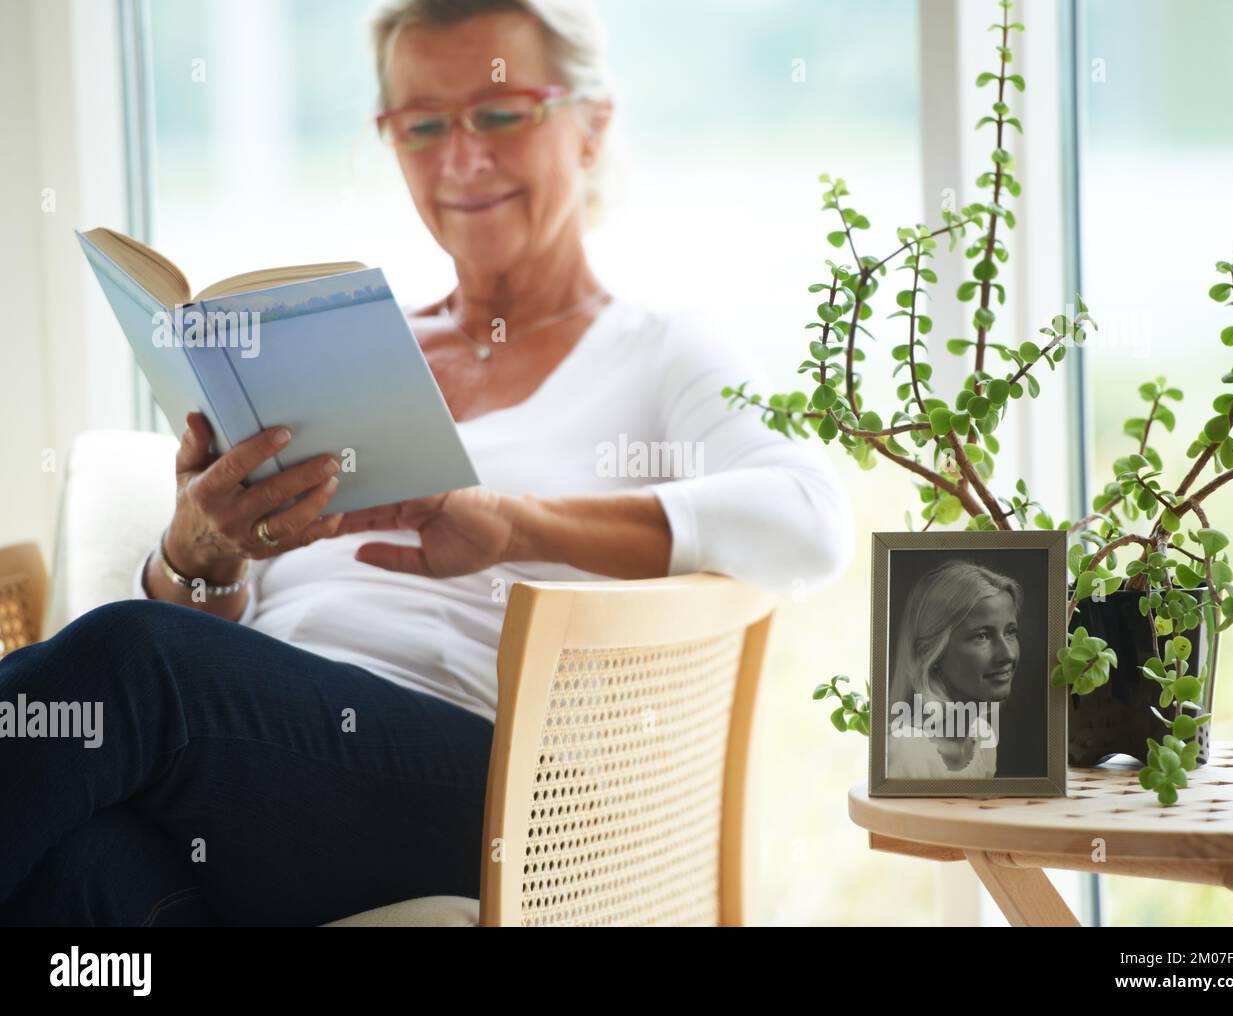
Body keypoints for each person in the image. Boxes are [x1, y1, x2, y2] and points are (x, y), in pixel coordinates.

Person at [0, 0, 853, 926]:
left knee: (131, 658)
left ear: (592, 123)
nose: (461, 159)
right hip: (255, 760)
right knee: (84, 866)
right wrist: (201, 552)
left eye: (499, 112)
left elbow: (808, 520)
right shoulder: (330, 352)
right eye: (422, 124)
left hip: (488, 790)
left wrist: (512, 524)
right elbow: (219, 627)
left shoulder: (656, 350)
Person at [886, 559, 1022, 780]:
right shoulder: (906, 752)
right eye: (982, 636)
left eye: (1010, 632)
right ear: (933, 650)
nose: (1007, 655)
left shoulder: (982, 736)